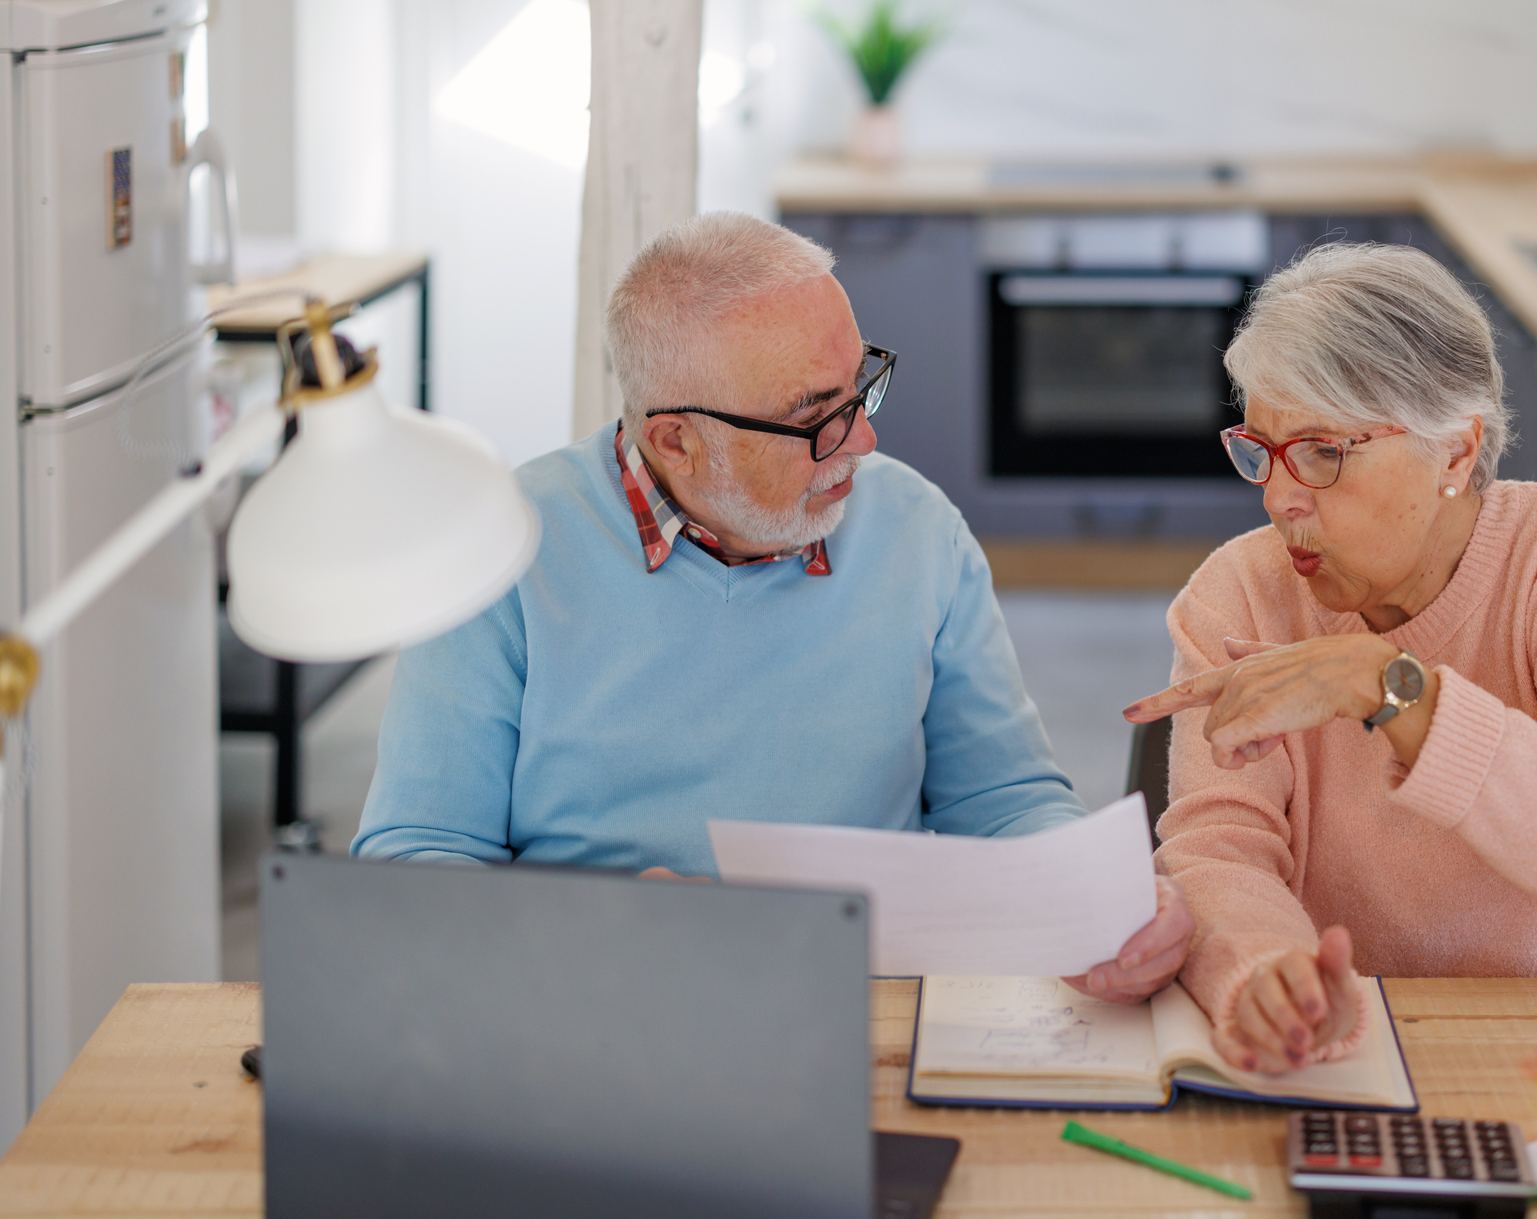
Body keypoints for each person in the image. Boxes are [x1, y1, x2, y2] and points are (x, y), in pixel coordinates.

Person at [355, 213, 1189, 1004]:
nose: (861, 440)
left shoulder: (917, 530)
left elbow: (1004, 801)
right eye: (813, 417)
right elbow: (416, 861)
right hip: (593, 1004)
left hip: (865, 1013)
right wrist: (592, 928)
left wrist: (1097, 903)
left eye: (859, 384)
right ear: (676, 439)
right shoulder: (498, 554)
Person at [1123, 242, 1537, 1073]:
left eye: (1324, 452)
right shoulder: (1239, 591)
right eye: (1262, 450)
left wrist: (1379, 683)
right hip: (1382, 1049)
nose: (1278, 496)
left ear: (1453, 449)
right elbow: (1221, 850)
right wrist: (1269, 976)